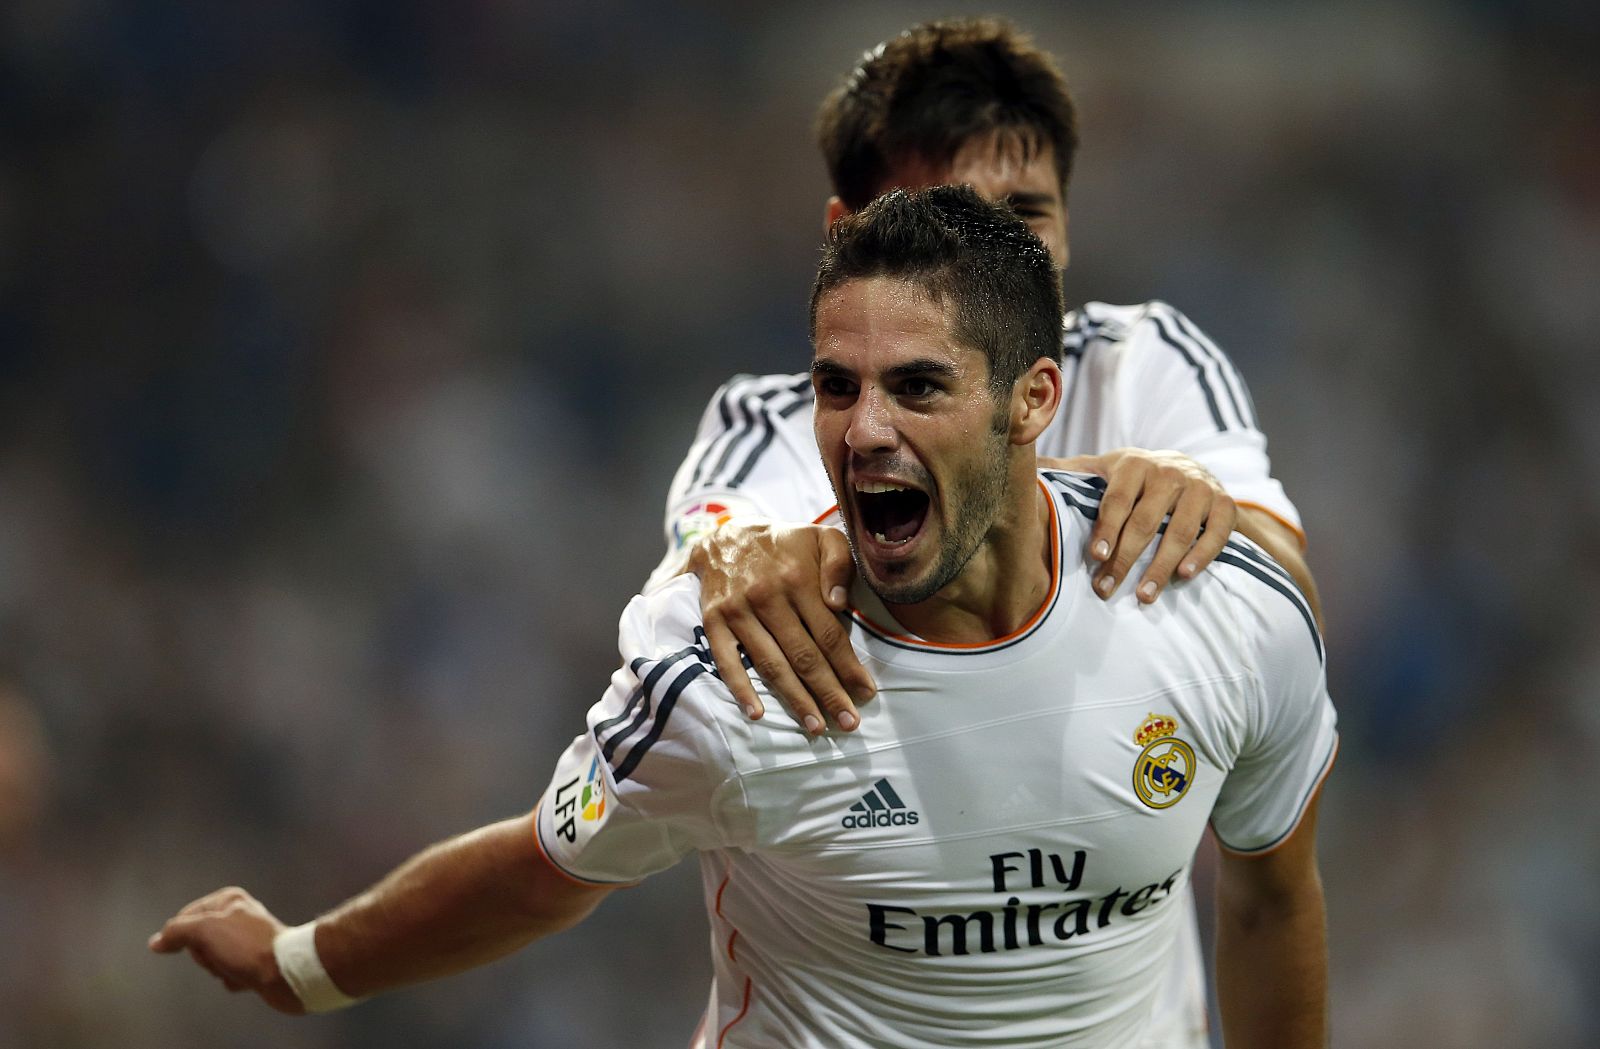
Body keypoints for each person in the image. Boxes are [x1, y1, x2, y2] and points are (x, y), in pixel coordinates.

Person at [151, 188, 1335, 1049]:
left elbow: (1273, 892)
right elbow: (537, 869)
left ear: (1033, 400)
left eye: (916, 384)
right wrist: (301, 962)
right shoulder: (737, 679)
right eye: (836, 384)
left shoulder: (1214, 608)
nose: (862, 426)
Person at [660, 17, 1323, 739]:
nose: (1000, 252)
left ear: (1065, 225)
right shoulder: (770, 427)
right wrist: (722, 553)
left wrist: (1208, 511)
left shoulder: (1141, 362)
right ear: (846, 233)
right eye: (951, 214)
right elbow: (698, 565)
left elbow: (1284, 582)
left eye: (1026, 214)